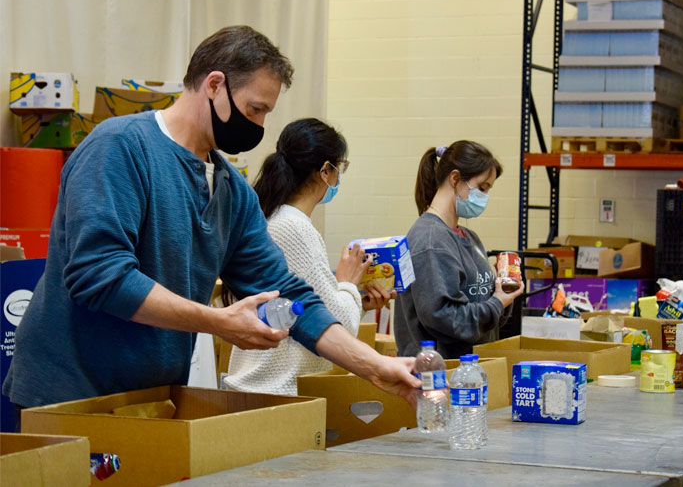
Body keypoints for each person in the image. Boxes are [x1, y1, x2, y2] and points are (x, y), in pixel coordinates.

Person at [3, 26, 418, 424]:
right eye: (255, 109)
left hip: (150, 397)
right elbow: (99, 274)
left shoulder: (231, 191)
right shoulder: (120, 147)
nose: (258, 127)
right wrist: (217, 321)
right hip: (69, 397)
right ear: (215, 85)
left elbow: (287, 294)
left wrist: (374, 366)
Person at [224, 118, 394, 395]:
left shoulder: (274, 218)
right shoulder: (294, 227)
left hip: (262, 387)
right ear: (326, 171)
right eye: (341, 168)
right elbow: (341, 323)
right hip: (277, 390)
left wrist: (358, 300)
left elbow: (309, 311)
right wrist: (348, 282)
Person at [394, 141, 525, 359]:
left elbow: (485, 318)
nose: (485, 197)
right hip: (440, 374)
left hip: (472, 371)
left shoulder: (469, 237)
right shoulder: (430, 241)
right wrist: (497, 302)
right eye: (482, 188)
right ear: (455, 179)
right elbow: (446, 318)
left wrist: (504, 292)